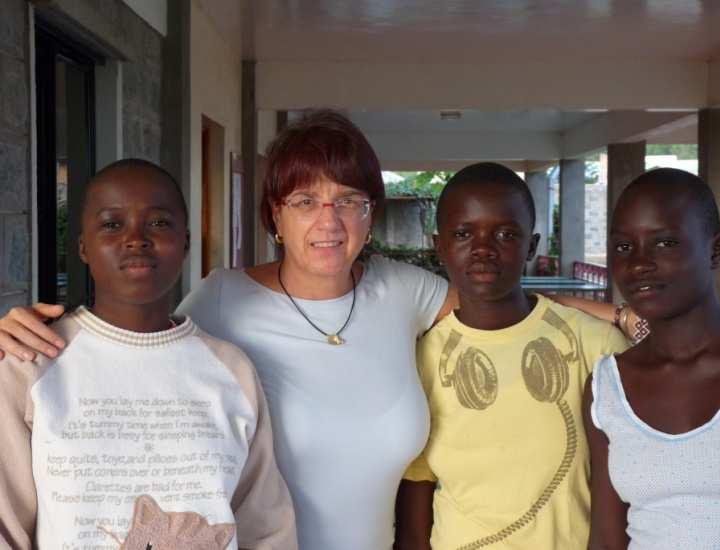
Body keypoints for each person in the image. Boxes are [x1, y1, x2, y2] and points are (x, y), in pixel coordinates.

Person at [0, 112, 625, 550]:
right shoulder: (224, 299)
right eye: (304, 201)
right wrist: (24, 331)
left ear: (369, 213)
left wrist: (635, 318)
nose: (328, 221)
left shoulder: (401, 290)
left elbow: (509, 301)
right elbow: (136, 342)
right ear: (275, 215)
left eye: (348, 199)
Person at [0, 159, 296, 550]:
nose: (135, 238)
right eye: (111, 224)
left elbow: (265, 525)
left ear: (186, 242)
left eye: (158, 222)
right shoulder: (32, 363)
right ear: (84, 246)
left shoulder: (230, 370)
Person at [394, 163, 629, 550]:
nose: (483, 249)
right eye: (463, 233)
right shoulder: (419, 359)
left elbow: (627, 482)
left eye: (505, 234)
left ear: (532, 247)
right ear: (439, 246)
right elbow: (418, 482)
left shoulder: (594, 345)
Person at [584, 168, 720, 549]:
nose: (639, 263)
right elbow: (605, 538)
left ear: (716, 250)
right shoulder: (608, 387)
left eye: (665, 243)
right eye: (623, 247)